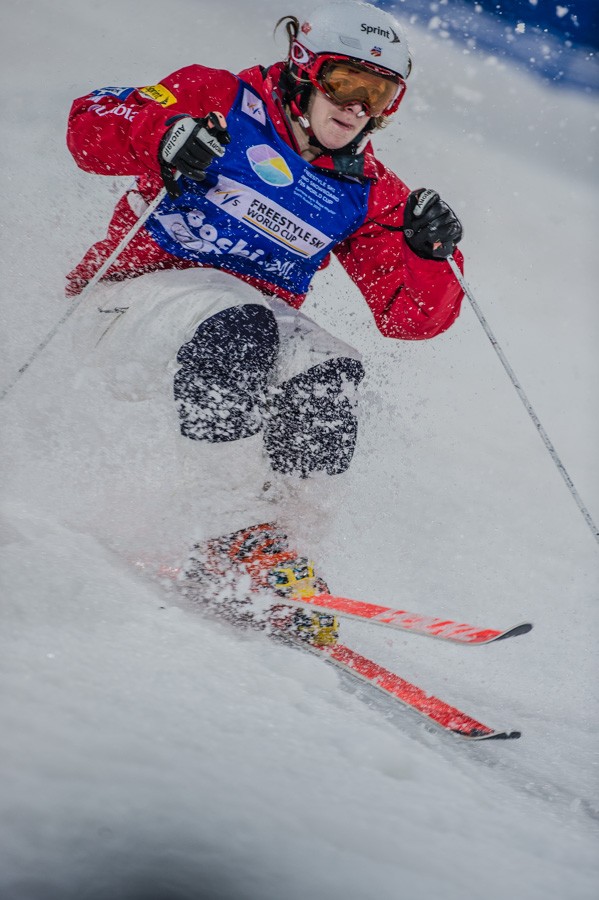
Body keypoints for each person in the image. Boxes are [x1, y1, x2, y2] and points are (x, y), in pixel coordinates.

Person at [66, 0, 464, 489]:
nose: (356, 107)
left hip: (235, 337)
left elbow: (410, 320)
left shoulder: (366, 189)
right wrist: (162, 136)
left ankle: (280, 538)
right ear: (304, 67)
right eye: (344, 82)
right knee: (241, 325)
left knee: (329, 372)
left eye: (377, 94)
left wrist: (428, 256)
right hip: (123, 312)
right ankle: (225, 525)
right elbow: (87, 124)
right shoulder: (217, 97)